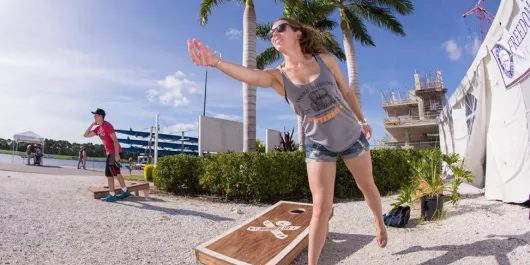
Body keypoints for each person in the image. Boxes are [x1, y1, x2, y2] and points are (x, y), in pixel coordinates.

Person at [187, 18, 388, 265]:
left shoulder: (325, 60)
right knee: (321, 209)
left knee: (366, 186)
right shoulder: (277, 77)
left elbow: (346, 91)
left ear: (298, 33)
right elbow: (250, 75)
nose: (275, 33)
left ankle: (379, 221)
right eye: (271, 31)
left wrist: (363, 120)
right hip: (318, 145)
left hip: (350, 135)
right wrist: (215, 62)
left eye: (281, 27)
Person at [83, 108, 130, 202]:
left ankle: (112, 195)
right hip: (111, 153)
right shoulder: (97, 128)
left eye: (95, 115)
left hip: (113, 152)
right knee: (117, 173)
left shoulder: (108, 125)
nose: (94, 117)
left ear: (100, 116)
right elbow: (86, 135)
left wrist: (116, 155)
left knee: (109, 174)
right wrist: (92, 125)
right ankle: (125, 191)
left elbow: (115, 141)